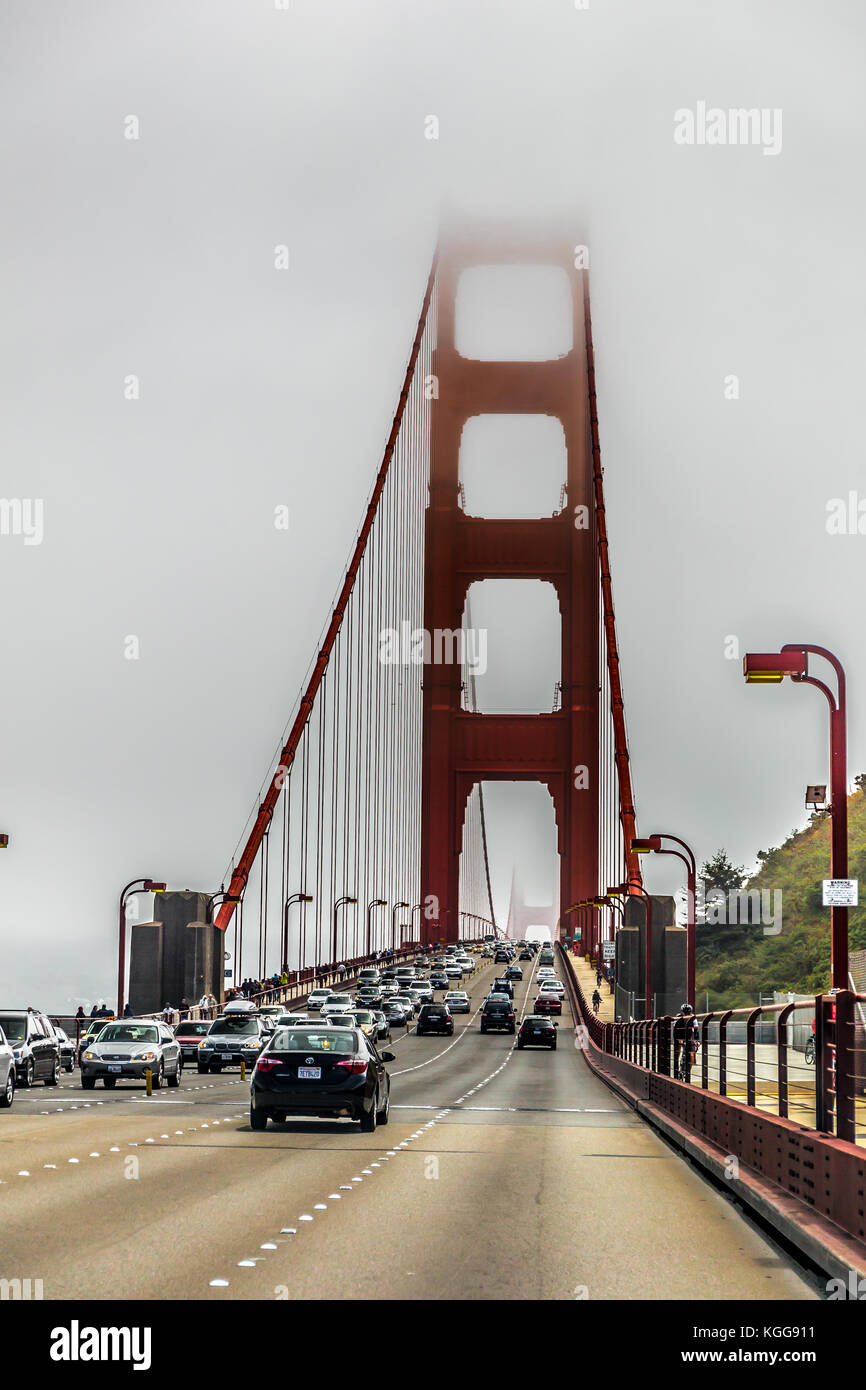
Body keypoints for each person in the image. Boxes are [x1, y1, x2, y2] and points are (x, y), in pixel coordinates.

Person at [674, 1003, 699, 1082]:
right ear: (682, 1012)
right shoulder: (678, 1017)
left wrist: (696, 1040)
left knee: (691, 1054)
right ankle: (676, 1069)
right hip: (679, 1035)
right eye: (685, 1012)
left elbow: (696, 1030)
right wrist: (678, 1039)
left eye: (688, 1012)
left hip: (688, 1036)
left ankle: (688, 1071)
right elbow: (675, 1030)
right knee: (677, 1052)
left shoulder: (693, 1018)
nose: (686, 1014)